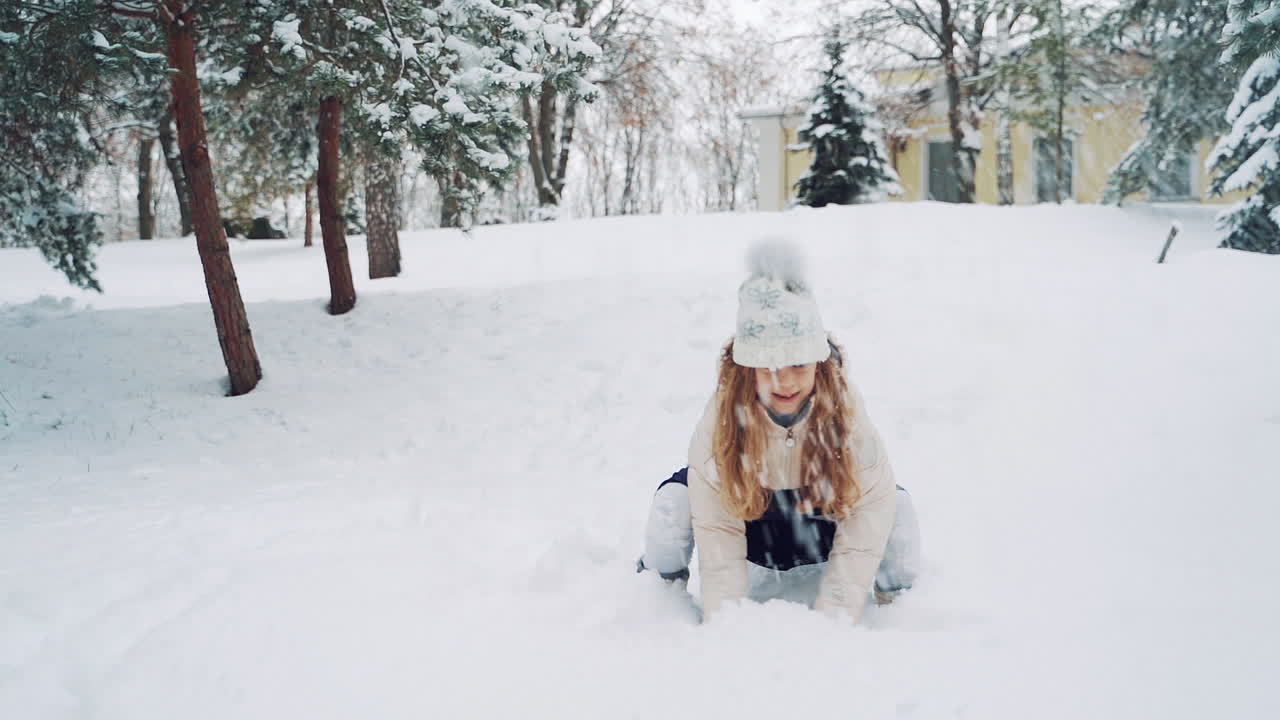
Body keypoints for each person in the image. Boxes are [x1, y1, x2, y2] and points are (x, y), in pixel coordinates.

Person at [637, 242, 920, 623]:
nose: (783, 382)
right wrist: (727, 622)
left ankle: (900, 609)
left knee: (895, 507)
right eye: (767, 367)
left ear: (819, 362)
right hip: (753, 520)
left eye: (798, 365)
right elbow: (718, 526)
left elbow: (868, 511)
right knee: (673, 503)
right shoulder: (722, 419)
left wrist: (836, 615)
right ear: (747, 367)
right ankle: (657, 602)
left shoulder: (846, 411)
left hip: (819, 524)